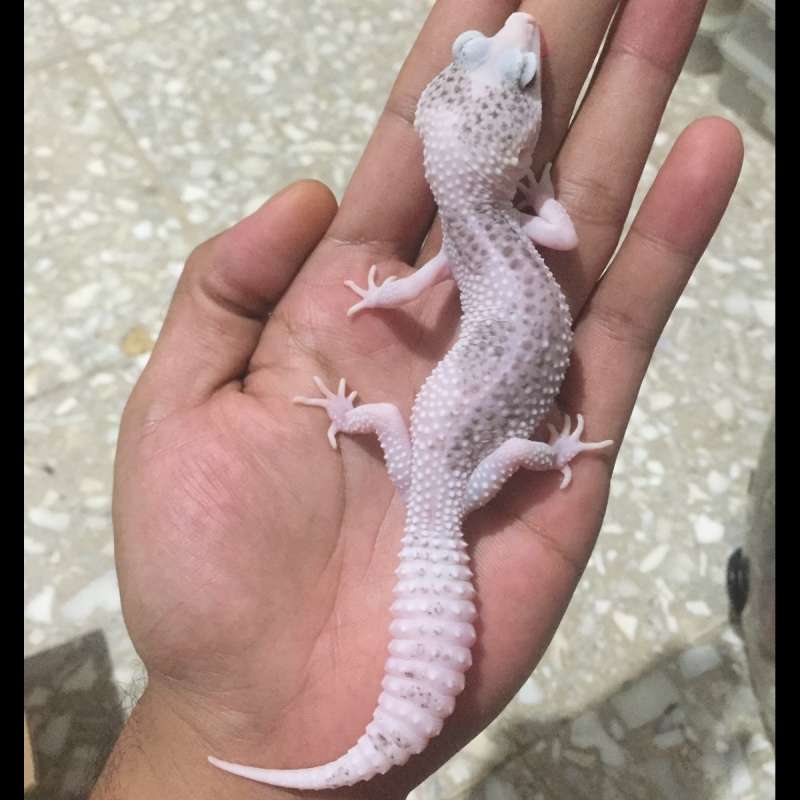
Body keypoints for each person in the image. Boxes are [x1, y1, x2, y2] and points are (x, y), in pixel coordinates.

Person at [91, 1, 744, 797]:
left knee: (487, 441)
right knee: (461, 435)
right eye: (511, 65)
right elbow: (557, 239)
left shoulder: (467, 236)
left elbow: (432, 283)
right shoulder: (500, 227)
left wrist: (384, 347)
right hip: (442, 453)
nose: (522, 38)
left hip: (453, 458)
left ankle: (527, 450)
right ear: (504, 157)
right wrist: (537, 200)